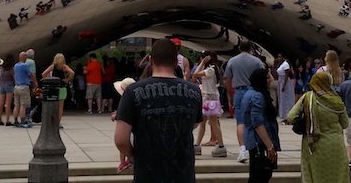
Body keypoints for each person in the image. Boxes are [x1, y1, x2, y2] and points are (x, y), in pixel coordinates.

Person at [114, 38, 202, 182]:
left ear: (151, 60)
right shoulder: (194, 91)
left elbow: (120, 139)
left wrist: (134, 156)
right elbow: (193, 124)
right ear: (176, 63)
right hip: (183, 173)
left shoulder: (133, 91)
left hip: (147, 172)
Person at [287, 71, 349, 183]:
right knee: (337, 177)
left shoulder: (308, 97)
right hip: (336, 145)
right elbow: (345, 124)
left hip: (314, 145)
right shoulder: (337, 100)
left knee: (315, 176)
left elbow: (291, 117)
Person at [223, 39, 265, 163]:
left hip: (240, 91)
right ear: (251, 48)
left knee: (240, 122)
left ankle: (243, 150)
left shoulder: (232, 61)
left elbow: (228, 79)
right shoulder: (257, 61)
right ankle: (255, 147)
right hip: (254, 91)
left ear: (239, 48)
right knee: (255, 120)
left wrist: (229, 95)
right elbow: (263, 76)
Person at [241, 68, 280, 183]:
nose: (271, 80)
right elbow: (257, 123)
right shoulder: (257, 96)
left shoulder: (250, 93)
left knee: (256, 176)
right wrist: (270, 146)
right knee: (262, 176)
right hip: (260, 142)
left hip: (256, 141)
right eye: (268, 77)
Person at [191, 51, 226, 157]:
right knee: (205, 122)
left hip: (209, 99)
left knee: (212, 122)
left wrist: (201, 63)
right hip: (209, 98)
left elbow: (195, 74)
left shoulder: (210, 70)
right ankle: (197, 145)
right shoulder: (213, 69)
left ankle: (220, 146)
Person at [42, 53, 75, 128]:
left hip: (54, 88)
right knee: (60, 107)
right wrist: (67, 79)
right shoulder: (64, 67)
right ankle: (58, 123)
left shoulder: (53, 66)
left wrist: (49, 80)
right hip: (62, 87)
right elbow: (72, 73)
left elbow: (43, 74)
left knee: (53, 106)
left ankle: (52, 122)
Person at [13, 51, 37, 127]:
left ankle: (15, 120)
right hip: (23, 86)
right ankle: (23, 121)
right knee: (23, 105)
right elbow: (31, 74)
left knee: (16, 105)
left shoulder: (16, 65)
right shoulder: (25, 65)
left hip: (16, 86)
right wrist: (35, 82)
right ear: (24, 58)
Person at [274, 54, 295, 121]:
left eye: (280, 57)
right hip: (280, 80)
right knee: (281, 99)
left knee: (285, 99)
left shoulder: (286, 64)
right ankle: (282, 115)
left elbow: (286, 75)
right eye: (278, 57)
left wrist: (284, 85)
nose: (279, 58)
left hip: (284, 81)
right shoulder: (280, 64)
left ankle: (287, 115)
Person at [0, 58, 14, 126]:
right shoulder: (11, 69)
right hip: (9, 85)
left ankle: (0, 120)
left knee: (1, 103)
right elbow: (14, 77)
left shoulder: (1, 68)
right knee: (8, 103)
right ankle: (7, 120)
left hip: (2, 85)